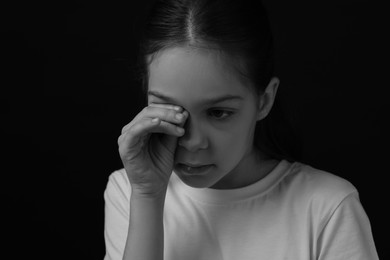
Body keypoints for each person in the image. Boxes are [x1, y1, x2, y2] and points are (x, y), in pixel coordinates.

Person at [103, 0, 379, 259]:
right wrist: (148, 196)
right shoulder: (130, 191)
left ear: (264, 100)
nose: (192, 141)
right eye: (172, 112)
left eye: (218, 112)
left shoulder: (327, 207)